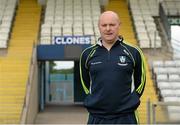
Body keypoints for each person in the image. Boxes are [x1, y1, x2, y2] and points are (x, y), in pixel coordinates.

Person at [79, 11, 146, 124]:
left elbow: (141, 82)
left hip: (126, 117)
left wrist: (130, 101)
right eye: (104, 25)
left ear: (119, 25)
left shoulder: (134, 52)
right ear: (99, 27)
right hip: (97, 117)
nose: (108, 28)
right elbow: (85, 83)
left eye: (112, 25)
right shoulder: (87, 54)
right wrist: (93, 99)